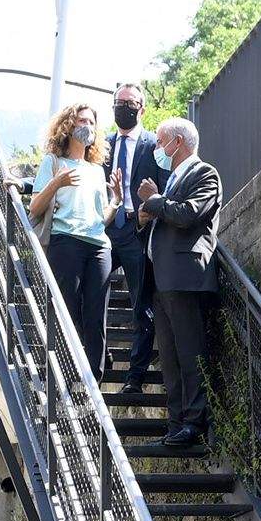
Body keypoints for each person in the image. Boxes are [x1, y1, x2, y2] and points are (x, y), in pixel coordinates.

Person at [135, 117, 221, 451]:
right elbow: (164, 221)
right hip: (161, 280)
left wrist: (154, 201)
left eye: (160, 142)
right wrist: (144, 218)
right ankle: (175, 424)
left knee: (189, 352)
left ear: (178, 142)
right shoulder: (171, 180)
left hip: (185, 278)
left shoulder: (204, 173)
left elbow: (188, 214)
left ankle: (193, 423)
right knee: (169, 358)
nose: (157, 148)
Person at [28, 102, 115, 376]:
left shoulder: (97, 170)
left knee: (96, 315)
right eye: (81, 121)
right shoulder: (53, 162)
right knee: (67, 310)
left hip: (98, 245)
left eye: (91, 122)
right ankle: (64, 374)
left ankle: (93, 381)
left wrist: (116, 202)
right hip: (66, 241)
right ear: (68, 125)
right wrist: (57, 182)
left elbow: (101, 217)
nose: (87, 126)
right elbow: (35, 207)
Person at [101, 83, 158, 403]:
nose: (123, 107)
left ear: (142, 108)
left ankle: (135, 377)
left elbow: (165, 185)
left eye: (130, 103)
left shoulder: (154, 144)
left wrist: (150, 210)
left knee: (141, 306)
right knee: (89, 293)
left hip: (138, 230)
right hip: (106, 230)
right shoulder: (102, 146)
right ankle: (99, 353)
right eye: (118, 102)